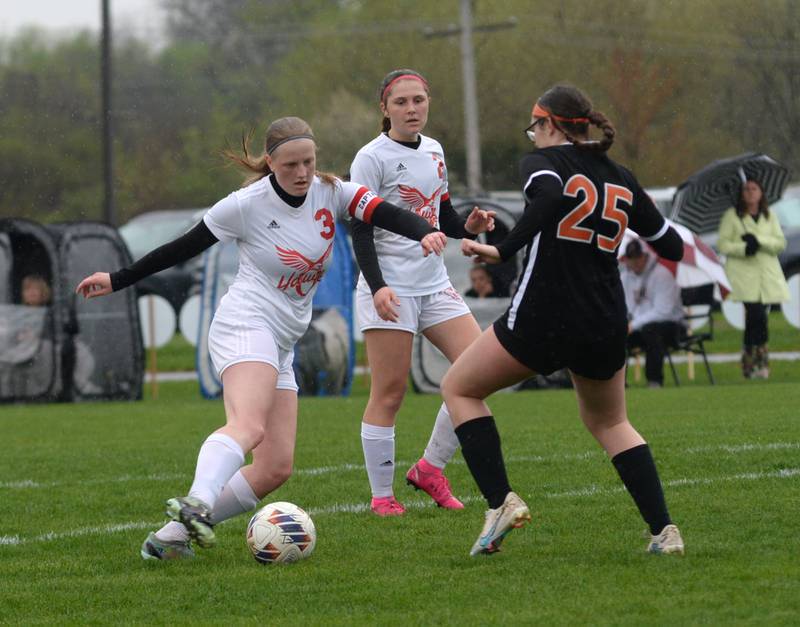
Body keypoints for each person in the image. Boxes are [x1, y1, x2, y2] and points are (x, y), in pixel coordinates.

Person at [75, 116, 448, 560]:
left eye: (309, 161)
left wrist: (427, 232)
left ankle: (171, 537)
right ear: (271, 163)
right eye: (291, 164)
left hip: (282, 340)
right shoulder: (244, 204)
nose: (302, 173)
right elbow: (181, 248)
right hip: (246, 324)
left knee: (274, 467)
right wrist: (117, 279)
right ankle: (197, 502)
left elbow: (385, 212)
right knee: (248, 426)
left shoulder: (334, 191)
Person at [439, 84, 686, 556]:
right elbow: (670, 247)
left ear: (551, 124)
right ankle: (664, 531)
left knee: (459, 388)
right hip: (605, 317)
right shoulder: (621, 176)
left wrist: (502, 249)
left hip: (546, 311)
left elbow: (551, 196)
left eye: (535, 126)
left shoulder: (543, 163)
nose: (532, 136)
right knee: (612, 422)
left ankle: (500, 502)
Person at [350, 69, 495, 516]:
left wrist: (467, 225)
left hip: (435, 284)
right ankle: (382, 497)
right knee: (390, 393)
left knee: (479, 374)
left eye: (419, 100)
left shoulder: (434, 149)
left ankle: (430, 468)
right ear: (385, 108)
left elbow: (442, 216)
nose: (412, 109)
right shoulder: (371, 158)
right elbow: (360, 227)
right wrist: (377, 287)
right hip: (391, 287)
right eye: (401, 103)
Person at [718, 179, 789, 379]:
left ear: (761, 192)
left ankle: (754, 363)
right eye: (746, 189)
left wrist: (760, 241)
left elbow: (779, 242)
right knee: (757, 315)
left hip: (766, 275)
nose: (750, 193)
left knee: (757, 320)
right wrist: (743, 248)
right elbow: (723, 244)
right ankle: (755, 362)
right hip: (744, 277)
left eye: (754, 189)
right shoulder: (732, 217)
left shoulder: (769, 215)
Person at [620, 239, 685, 388]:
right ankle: (618, 383)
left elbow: (663, 311)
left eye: (638, 257)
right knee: (615, 336)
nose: (635, 262)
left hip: (671, 326)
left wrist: (633, 324)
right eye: (631, 258)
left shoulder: (663, 275)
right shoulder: (624, 278)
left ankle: (654, 380)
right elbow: (626, 307)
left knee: (652, 331)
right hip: (637, 326)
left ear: (646, 256)